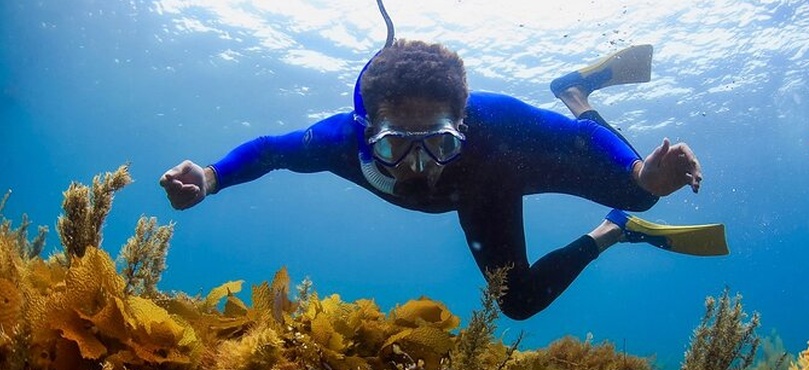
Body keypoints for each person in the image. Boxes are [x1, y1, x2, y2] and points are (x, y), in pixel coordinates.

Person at [160, 40, 726, 320]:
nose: (420, 165)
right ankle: (615, 230)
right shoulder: (337, 140)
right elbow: (269, 151)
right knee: (518, 303)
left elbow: (579, 141)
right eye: (394, 146)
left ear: (463, 125)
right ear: (366, 132)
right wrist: (210, 177)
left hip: (501, 172)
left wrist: (640, 171)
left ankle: (574, 92)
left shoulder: (498, 120)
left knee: (638, 190)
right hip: (476, 190)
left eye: (440, 143)